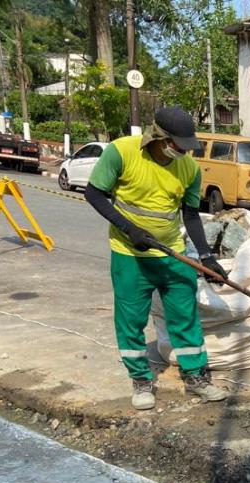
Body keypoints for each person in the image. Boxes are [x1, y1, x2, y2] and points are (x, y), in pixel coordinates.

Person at [85, 106, 229, 411]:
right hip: (129, 253)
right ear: (159, 137)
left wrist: (206, 256)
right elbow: (94, 193)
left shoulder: (189, 169)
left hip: (172, 251)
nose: (183, 151)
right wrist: (128, 228)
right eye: (178, 144)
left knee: (185, 313)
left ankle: (196, 377)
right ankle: (140, 379)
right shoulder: (121, 152)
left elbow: (190, 215)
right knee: (131, 319)